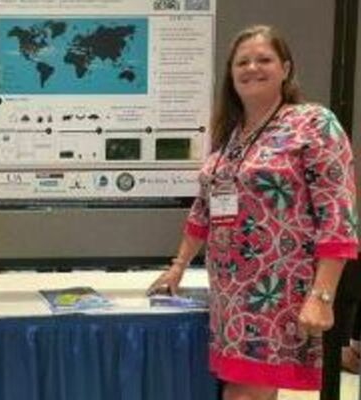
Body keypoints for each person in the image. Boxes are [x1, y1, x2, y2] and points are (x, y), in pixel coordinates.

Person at [147, 25, 358, 400]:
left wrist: (322, 297)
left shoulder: (313, 123)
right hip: (230, 293)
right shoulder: (232, 136)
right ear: (231, 74)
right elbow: (204, 210)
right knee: (246, 390)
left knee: (244, 394)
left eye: (264, 59)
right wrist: (178, 265)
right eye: (242, 61)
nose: (252, 68)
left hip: (276, 291)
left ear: (286, 68)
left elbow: (338, 212)